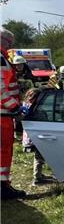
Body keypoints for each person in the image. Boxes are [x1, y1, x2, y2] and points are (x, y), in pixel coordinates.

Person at [1, 27, 26, 200]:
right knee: (3, 151)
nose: (10, 46)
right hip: (3, 115)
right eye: (10, 43)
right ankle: (3, 188)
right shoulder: (1, 58)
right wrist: (13, 107)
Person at [20, 88, 54, 186]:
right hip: (36, 136)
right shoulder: (35, 109)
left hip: (30, 136)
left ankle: (38, 174)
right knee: (39, 157)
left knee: (39, 156)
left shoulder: (25, 105)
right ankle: (37, 178)